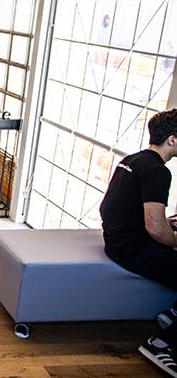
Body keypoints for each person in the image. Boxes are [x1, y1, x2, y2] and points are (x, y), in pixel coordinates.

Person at [100, 108, 177, 377]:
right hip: (133, 250)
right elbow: (156, 229)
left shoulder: (133, 160)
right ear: (172, 140)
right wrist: (174, 239)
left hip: (116, 241)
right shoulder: (158, 172)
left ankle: (172, 316)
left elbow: (116, 207)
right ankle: (163, 345)